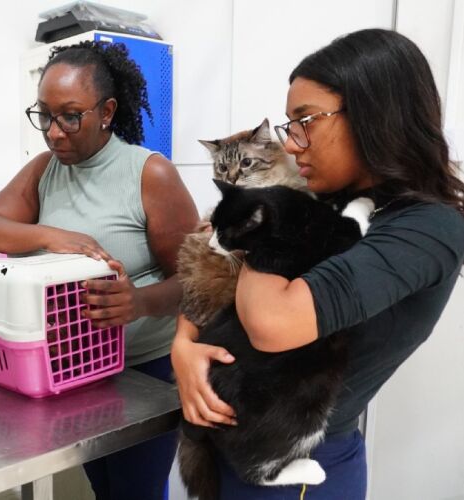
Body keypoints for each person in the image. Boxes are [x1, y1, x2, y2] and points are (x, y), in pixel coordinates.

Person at [171, 28, 464, 499]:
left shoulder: (427, 228)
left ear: (376, 113)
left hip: (298, 459)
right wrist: (183, 347)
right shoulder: (332, 200)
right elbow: (209, 279)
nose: (291, 144)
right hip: (231, 440)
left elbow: (271, 321)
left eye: (306, 120)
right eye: (290, 125)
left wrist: (256, 227)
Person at [0, 40, 199, 500]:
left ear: (107, 111)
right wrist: (49, 236)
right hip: (75, 371)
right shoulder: (45, 170)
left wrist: (140, 303)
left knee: (135, 493)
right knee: (104, 490)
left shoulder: (150, 174)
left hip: (144, 375)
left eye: (70, 116)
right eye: (44, 116)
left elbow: (198, 282)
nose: (53, 132)